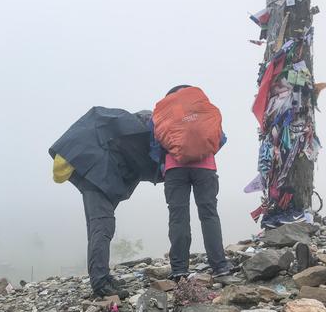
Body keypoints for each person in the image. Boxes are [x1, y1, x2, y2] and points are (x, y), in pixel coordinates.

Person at [50, 107, 161, 298]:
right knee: (103, 227)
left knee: (97, 229)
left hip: (97, 179)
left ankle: (102, 276)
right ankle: (100, 283)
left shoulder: (122, 128)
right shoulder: (136, 133)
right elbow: (143, 164)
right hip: (98, 179)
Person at [154, 85, 231, 281]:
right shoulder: (202, 111)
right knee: (209, 214)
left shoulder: (164, 115)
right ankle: (220, 265)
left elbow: (155, 144)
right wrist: (204, 152)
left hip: (175, 169)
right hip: (205, 168)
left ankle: (179, 269)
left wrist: (164, 165)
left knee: (178, 217)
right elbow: (221, 138)